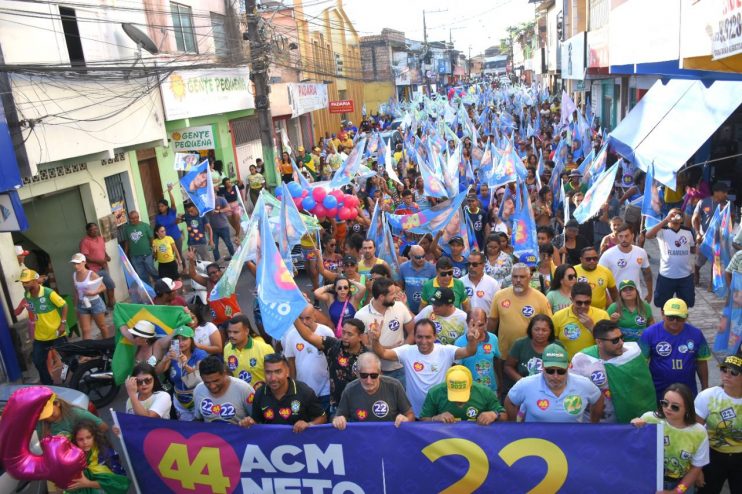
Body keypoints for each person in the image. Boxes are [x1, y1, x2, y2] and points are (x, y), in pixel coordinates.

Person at [369, 318, 479, 417]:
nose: (423, 341)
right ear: (414, 336)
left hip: (441, 415)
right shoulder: (407, 351)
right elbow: (383, 353)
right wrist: (375, 340)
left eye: (428, 337)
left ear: (435, 336)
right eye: (419, 337)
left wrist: (472, 340)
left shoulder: (446, 351)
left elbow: (469, 351)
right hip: (415, 414)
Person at [570, 320, 656, 423]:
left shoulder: (633, 354)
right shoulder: (582, 359)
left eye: (621, 337)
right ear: (599, 342)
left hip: (630, 423)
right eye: (615, 340)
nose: (621, 343)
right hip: (596, 423)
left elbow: (644, 390)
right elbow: (572, 391)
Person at [632, 383, 709, 493]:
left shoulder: (699, 432)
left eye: (675, 406)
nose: (668, 408)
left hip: (682, 483)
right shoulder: (649, 419)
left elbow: (696, 468)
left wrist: (677, 492)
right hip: (649, 480)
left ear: (687, 408)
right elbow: (632, 446)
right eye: (665, 403)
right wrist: (633, 426)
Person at [505, 343, 604, 423]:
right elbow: (509, 401)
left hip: (571, 443)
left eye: (561, 371)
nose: (555, 376)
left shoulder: (583, 384)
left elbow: (598, 399)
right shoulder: (526, 384)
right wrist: (515, 427)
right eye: (550, 371)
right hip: (536, 443)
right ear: (543, 367)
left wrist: (594, 424)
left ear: (568, 367)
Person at [640, 298, 711, 402]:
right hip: (658, 391)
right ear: (662, 314)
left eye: (679, 318)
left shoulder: (696, 334)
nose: (675, 321)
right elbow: (642, 364)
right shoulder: (649, 333)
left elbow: (701, 362)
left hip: (687, 392)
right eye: (671, 317)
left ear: (686, 317)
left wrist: (705, 388)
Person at [293, 316, 367, 411]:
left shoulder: (368, 355)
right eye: (343, 332)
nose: (344, 337)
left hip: (360, 406)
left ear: (360, 337)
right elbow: (309, 336)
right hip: (337, 407)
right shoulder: (333, 346)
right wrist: (293, 317)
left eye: (350, 334)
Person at [239, 353, 327, 431]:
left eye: (278, 372)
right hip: (272, 446)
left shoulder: (304, 391)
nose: (273, 378)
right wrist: (249, 422)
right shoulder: (259, 394)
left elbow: (322, 417)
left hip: (300, 445)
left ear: (287, 371)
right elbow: (257, 422)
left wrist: (309, 425)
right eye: (268, 372)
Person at [694, 354, 742, 494]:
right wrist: (696, 469)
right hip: (712, 456)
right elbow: (694, 433)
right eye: (723, 370)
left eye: (734, 372)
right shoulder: (708, 396)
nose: (726, 375)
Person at [488, 263, 552, 362]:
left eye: (522, 277)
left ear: (529, 277)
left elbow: (549, 326)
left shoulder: (541, 299)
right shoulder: (499, 296)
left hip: (531, 355)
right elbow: (492, 322)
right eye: (515, 277)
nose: (518, 280)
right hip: (504, 353)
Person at [354, 278, 414, 385]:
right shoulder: (361, 315)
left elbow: (412, 332)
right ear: (381, 297)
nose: (396, 296)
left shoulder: (400, 307)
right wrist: (389, 350)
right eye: (392, 294)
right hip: (374, 372)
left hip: (399, 368)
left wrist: (402, 350)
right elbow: (364, 345)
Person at [332, 352, 413, 429]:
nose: (368, 381)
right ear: (357, 373)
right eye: (364, 375)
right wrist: (339, 420)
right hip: (361, 439)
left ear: (380, 373)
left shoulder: (394, 386)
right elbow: (338, 416)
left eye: (373, 375)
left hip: (389, 439)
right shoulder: (349, 389)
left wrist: (405, 419)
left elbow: (410, 415)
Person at [20, 268, 68, 385]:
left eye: (27, 282)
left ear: (35, 281)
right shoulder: (27, 294)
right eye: (22, 282)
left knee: (68, 358)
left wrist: (63, 323)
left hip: (56, 333)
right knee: (38, 361)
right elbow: (34, 312)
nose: (24, 285)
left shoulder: (48, 292)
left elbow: (64, 305)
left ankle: (76, 378)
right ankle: (48, 384)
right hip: (40, 336)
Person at [283, 306, 333, 411]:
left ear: (315, 316)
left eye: (308, 318)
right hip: (303, 390)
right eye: (300, 318)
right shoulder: (291, 336)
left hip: (325, 389)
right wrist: (292, 389)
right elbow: (291, 364)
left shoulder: (326, 332)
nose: (304, 322)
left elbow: (334, 359)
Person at [420, 365, 507, 424]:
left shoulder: (485, 392)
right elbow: (423, 420)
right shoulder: (435, 393)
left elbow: (505, 416)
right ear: (446, 386)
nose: (459, 401)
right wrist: (436, 418)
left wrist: (494, 414)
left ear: (470, 385)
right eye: (454, 394)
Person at [646, 207, 696, 309]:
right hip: (666, 275)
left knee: (686, 304)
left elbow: (693, 249)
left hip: (685, 276)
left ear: (682, 219)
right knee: (662, 304)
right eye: (672, 214)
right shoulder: (662, 230)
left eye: (678, 214)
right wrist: (665, 220)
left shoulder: (688, 231)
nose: (676, 216)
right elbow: (648, 235)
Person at [155, 326, 207, 421]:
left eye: (184, 339)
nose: (181, 343)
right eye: (177, 339)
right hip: (179, 399)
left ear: (191, 340)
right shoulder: (172, 354)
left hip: (197, 396)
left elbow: (201, 375)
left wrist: (185, 365)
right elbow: (157, 371)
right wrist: (165, 360)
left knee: (201, 426)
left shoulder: (200, 354)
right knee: (185, 429)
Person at [67, 420, 130, 494]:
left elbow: (121, 483)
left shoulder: (107, 454)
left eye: (88, 437)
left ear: (94, 436)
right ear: (75, 440)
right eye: (80, 439)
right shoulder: (71, 456)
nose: (85, 442)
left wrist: (88, 483)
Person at [186, 250, 241, 332]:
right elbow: (193, 275)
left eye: (214, 272)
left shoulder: (227, 280)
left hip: (234, 320)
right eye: (210, 274)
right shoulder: (208, 283)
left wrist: (240, 249)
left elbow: (237, 264)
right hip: (218, 324)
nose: (213, 275)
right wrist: (191, 260)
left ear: (220, 271)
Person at [552, 282, 610, 360]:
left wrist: (592, 328)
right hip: (569, 366)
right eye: (579, 303)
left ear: (591, 299)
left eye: (587, 302)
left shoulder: (603, 315)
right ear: (571, 300)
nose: (583, 306)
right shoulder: (558, 316)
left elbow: (609, 344)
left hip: (595, 364)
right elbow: (553, 343)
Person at [599, 223, 653, 302]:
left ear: (632, 235)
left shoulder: (641, 252)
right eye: (621, 236)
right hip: (615, 299)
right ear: (617, 237)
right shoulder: (607, 254)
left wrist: (650, 293)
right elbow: (600, 277)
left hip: (636, 298)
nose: (624, 239)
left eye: (627, 236)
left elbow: (647, 274)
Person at [193, 355, 255, 424]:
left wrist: (249, 422)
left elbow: (257, 420)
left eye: (216, 381)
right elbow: (198, 420)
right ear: (201, 377)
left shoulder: (244, 389)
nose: (212, 386)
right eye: (207, 382)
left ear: (224, 373)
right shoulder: (198, 390)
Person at [504, 315, 561, 385]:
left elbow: (564, 368)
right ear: (530, 330)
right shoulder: (520, 344)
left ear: (550, 331)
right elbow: (508, 366)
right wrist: (522, 381)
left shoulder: (558, 346)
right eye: (536, 329)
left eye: (544, 330)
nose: (540, 333)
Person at [454, 308, 501, 395]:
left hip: (490, 390)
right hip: (469, 391)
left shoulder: (493, 339)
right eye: (473, 325)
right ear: (467, 323)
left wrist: (500, 384)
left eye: (481, 325)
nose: (477, 329)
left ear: (486, 322)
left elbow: (497, 361)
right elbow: (457, 369)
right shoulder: (459, 343)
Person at [693, 182, 730, 286]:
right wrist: (697, 233)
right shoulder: (704, 202)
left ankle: (712, 282)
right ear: (717, 192)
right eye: (725, 192)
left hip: (719, 239)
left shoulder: (727, 204)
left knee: (716, 261)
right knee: (699, 261)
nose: (726, 195)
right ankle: (696, 273)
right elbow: (695, 218)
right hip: (705, 237)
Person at [223, 314, 274, 388]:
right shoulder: (227, 348)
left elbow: (274, 374)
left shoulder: (265, 349)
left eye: (235, 332)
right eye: (229, 332)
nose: (231, 335)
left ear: (246, 331)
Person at [70, 253, 110, 339]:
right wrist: (76, 306)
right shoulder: (74, 275)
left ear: (84, 262)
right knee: (85, 330)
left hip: (95, 302)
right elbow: (76, 291)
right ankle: (88, 351)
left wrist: (94, 292)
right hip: (82, 303)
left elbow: (103, 287)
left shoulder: (91, 274)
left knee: (102, 326)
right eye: (74, 263)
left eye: (78, 263)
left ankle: (108, 346)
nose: (76, 266)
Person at [79, 222, 116, 308]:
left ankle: (111, 304)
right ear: (87, 231)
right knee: (96, 290)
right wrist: (98, 261)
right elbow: (85, 257)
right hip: (92, 270)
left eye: (96, 229)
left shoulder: (100, 238)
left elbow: (103, 250)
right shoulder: (85, 242)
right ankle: (101, 308)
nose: (94, 231)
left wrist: (107, 256)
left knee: (110, 285)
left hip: (103, 268)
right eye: (92, 230)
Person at [37, 393, 107, 439]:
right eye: (44, 415)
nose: (47, 416)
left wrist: (87, 441)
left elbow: (104, 427)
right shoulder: (41, 425)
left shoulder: (76, 414)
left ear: (57, 403)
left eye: (49, 412)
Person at [122, 210, 158, 284]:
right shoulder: (127, 228)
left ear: (138, 217)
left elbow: (152, 239)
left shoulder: (145, 226)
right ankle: (150, 292)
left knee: (152, 271)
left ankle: (161, 286)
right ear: (129, 219)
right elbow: (127, 242)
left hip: (147, 254)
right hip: (134, 256)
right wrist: (125, 254)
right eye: (132, 218)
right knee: (142, 275)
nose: (134, 219)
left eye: (136, 217)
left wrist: (155, 251)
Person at [399, 244, 436, 314]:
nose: (421, 259)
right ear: (411, 256)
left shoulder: (432, 269)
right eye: (418, 257)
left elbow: (434, 289)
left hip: (426, 310)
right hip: (408, 310)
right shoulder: (403, 268)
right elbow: (400, 287)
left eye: (423, 256)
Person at [155, 184, 184, 269]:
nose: (160, 208)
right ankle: (174, 270)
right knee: (169, 255)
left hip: (176, 236)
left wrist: (169, 191)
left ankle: (185, 268)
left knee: (179, 253)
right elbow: (158, 228)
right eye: (159, 206)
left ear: (166, 206)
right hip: (166, 239)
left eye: (162, 206)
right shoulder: (158, 217)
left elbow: (173, 203)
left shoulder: (172, 212)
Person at [207, 195, 236, 262]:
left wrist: (219, 211)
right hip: (213, 229)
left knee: (228, 243)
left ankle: (234, 257)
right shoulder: (207, 202)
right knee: (214, 247)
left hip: (223, 227)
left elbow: (228, 208)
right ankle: (218, 262)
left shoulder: (221, 199)